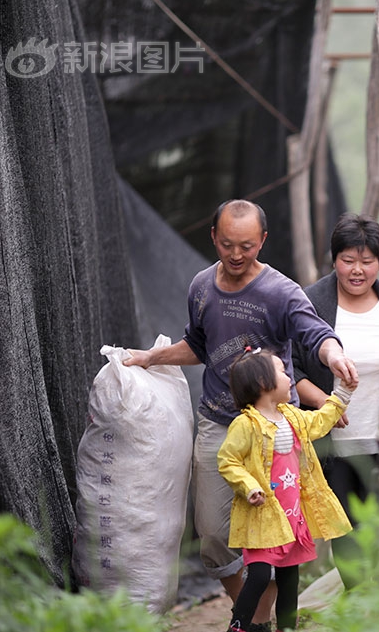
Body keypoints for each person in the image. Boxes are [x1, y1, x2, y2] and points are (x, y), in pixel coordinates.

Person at [124, 199, 358, 632]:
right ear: (214, 236)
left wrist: (335, 355)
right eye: (227, 244)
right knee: (212, 532)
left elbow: (315, 333)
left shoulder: (280, 291)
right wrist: (151, 357)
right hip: (219, 423)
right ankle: (254, 609)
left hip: (274, 432)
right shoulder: (201, 287)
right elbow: (198, 344)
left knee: (282, 536)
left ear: (262, 241)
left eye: (246, 246)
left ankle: (256, 623)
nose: (235, 255)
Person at [218, 347, 354, 632]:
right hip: (262, 519)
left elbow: (319, 421)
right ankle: (238, 626)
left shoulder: (292, 417)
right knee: (258, 575)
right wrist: (249, 486)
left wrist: (343, 393)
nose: (289, 376)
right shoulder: (245, 424)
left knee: (289, 579)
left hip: (291, 519)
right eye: (282, 371)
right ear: (263, 383)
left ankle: (287, 628)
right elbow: (228, 460)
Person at [292, 213, 379, 590]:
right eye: (348, 260)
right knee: (345, 530)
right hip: (333, 445)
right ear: (334, 259)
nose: (357, 270)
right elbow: (291, 369)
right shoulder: (310, 302)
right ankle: (357, 600)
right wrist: (323, 404)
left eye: (367, 262)